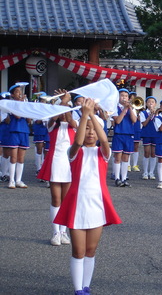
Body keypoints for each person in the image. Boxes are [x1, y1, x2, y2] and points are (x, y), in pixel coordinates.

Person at [54, 98, 122, 295]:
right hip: (77, 205)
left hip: (97, 205)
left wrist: (92, 114)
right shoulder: (74, 152)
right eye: (87, 129)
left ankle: (85, 287)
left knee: (91, 251)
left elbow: (105, 140)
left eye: (94, 129)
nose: (91, 133)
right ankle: (77, 290)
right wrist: (85, 115)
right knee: (78, 251)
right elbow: (77, 140)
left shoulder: (103, 153)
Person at [37, 89, 77, 246]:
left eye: (65, 110)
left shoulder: (73, 125)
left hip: (68, 163)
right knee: (56, 199)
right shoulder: (51, 124)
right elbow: (54, 117)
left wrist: (65, 104)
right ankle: (55, 232)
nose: (62, 113)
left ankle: (63, 232)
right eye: (60, 109)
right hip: (55, 161)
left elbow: (72, 121)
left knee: (66, 199)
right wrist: (63, 101)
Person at [4, 83, 30, 189]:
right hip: (14, 130)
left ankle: (19, 180)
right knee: (13, 156)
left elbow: (29, 119)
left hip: (24, 131)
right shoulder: (11, 104)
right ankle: (11, 180)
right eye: (17, 92)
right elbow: (18, 116)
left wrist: (26, 106)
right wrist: (21, 103)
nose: (20, 94)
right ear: (12, 95)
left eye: (20, 91)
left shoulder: (24, 103)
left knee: (21, 158)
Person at [111, 88, 137, 187]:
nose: (124, 98)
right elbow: (117, 121)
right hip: (119, 134)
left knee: (126, 157)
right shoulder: (114, 107)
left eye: (126, 96)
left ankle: (124, 178)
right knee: (118, 157)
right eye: (122, 96)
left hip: (129, 134)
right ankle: (117, 178)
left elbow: (134, 120)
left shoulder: (132, 108)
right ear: (118, 97)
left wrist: (130, 108)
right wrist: (125, 109)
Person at [140, 96, 158, 180]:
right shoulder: (143, 113)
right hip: (147, 133)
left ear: (155, 104)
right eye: (149, 102)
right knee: (146, 152)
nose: (151, 103)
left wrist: (155, 114)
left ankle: (151, 172)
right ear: (146, 104)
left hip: (155, 134)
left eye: (153, 102)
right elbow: (144, 124)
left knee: (153, 153)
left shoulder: (158, 113)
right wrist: (150, 115)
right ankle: (145, 172)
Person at [129, 92, 141, 172]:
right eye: (131, 98)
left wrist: (138, 110)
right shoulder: (127, 108)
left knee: (136, 146)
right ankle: (128, 164)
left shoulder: (139, 109)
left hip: (136, 128)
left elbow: (140, 119)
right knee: (129, 147)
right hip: (129, 128)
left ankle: (135, 165)